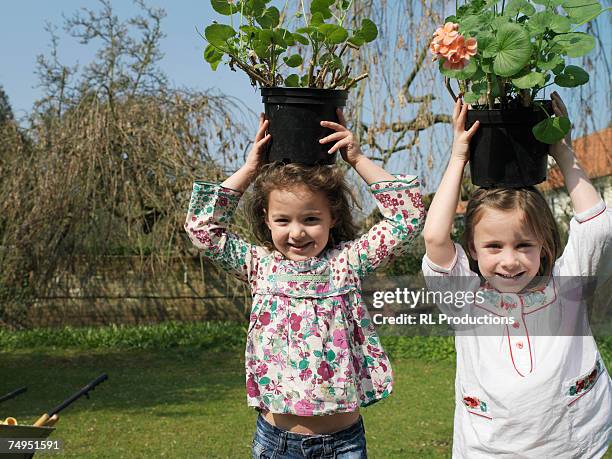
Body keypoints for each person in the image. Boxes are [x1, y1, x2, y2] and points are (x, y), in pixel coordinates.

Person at [185, 110, 425, 458]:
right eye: (283, 220)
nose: (296, 232)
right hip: (277, 444)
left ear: (333, 217)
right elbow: (202, 228)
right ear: (266, 220)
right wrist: (251, 170)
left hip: (344, 445)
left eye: (311, 219)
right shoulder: (260, 266)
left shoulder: (348, 262)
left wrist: (357, 159)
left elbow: (408, 217)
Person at [422, 92, 612, 457]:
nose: (510, 261)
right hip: (491, 448)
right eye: (493, 247)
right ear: (472, 250)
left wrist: (561, 149)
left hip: (571, 444)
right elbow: (434, 237)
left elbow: (597, 226)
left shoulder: (567, 284)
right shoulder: (464, 300)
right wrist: (460, 156)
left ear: (543, 245)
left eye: (524, 245)